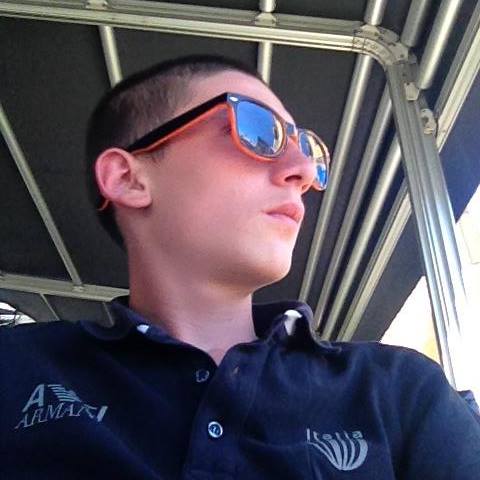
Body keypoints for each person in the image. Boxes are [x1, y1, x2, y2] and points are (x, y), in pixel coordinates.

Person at [1, 55, 479, 479]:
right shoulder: (16, 370)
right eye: (258, 130)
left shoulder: (398, 391)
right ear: (129, 178)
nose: (304, 172)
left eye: (309, 150)